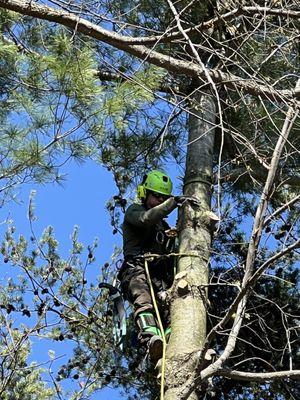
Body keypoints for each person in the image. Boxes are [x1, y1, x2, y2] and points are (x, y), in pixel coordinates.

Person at [118, 170, 193, 364]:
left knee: (169, 307)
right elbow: (146, 219)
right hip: (137, 268)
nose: (159, 200)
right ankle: (150, 339)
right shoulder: (134, 211)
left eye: (163, 197)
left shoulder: (165, 227)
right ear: (145, 193)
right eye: (156, 195)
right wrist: (172, 203)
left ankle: (171, 338)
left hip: (159, 276)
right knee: (143, 299)